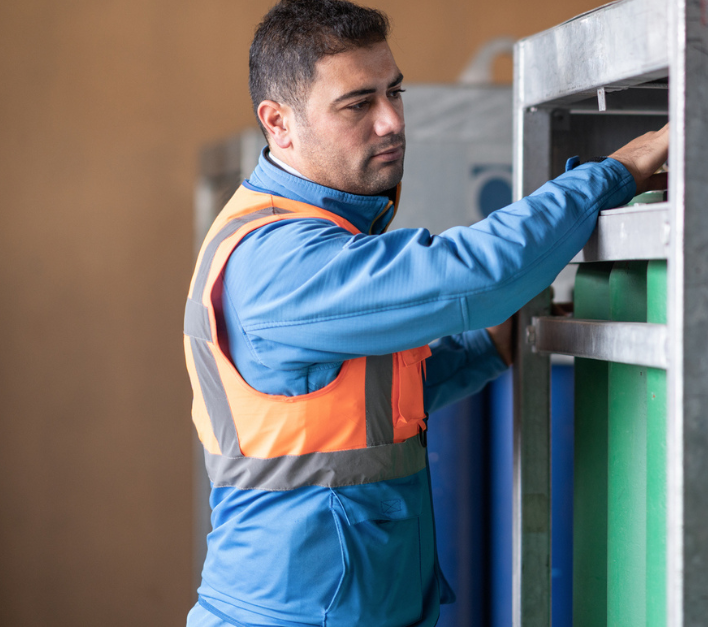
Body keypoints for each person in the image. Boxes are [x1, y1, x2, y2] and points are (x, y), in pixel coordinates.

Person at [182, 0, 669, 625]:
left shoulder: (320, 234)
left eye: (395, 92)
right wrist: (615, 174)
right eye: (358, 104)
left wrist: (489, 347)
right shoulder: (279, 260)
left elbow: (367, 403)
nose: (391, 122)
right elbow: (474, 274)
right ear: (279, 124)